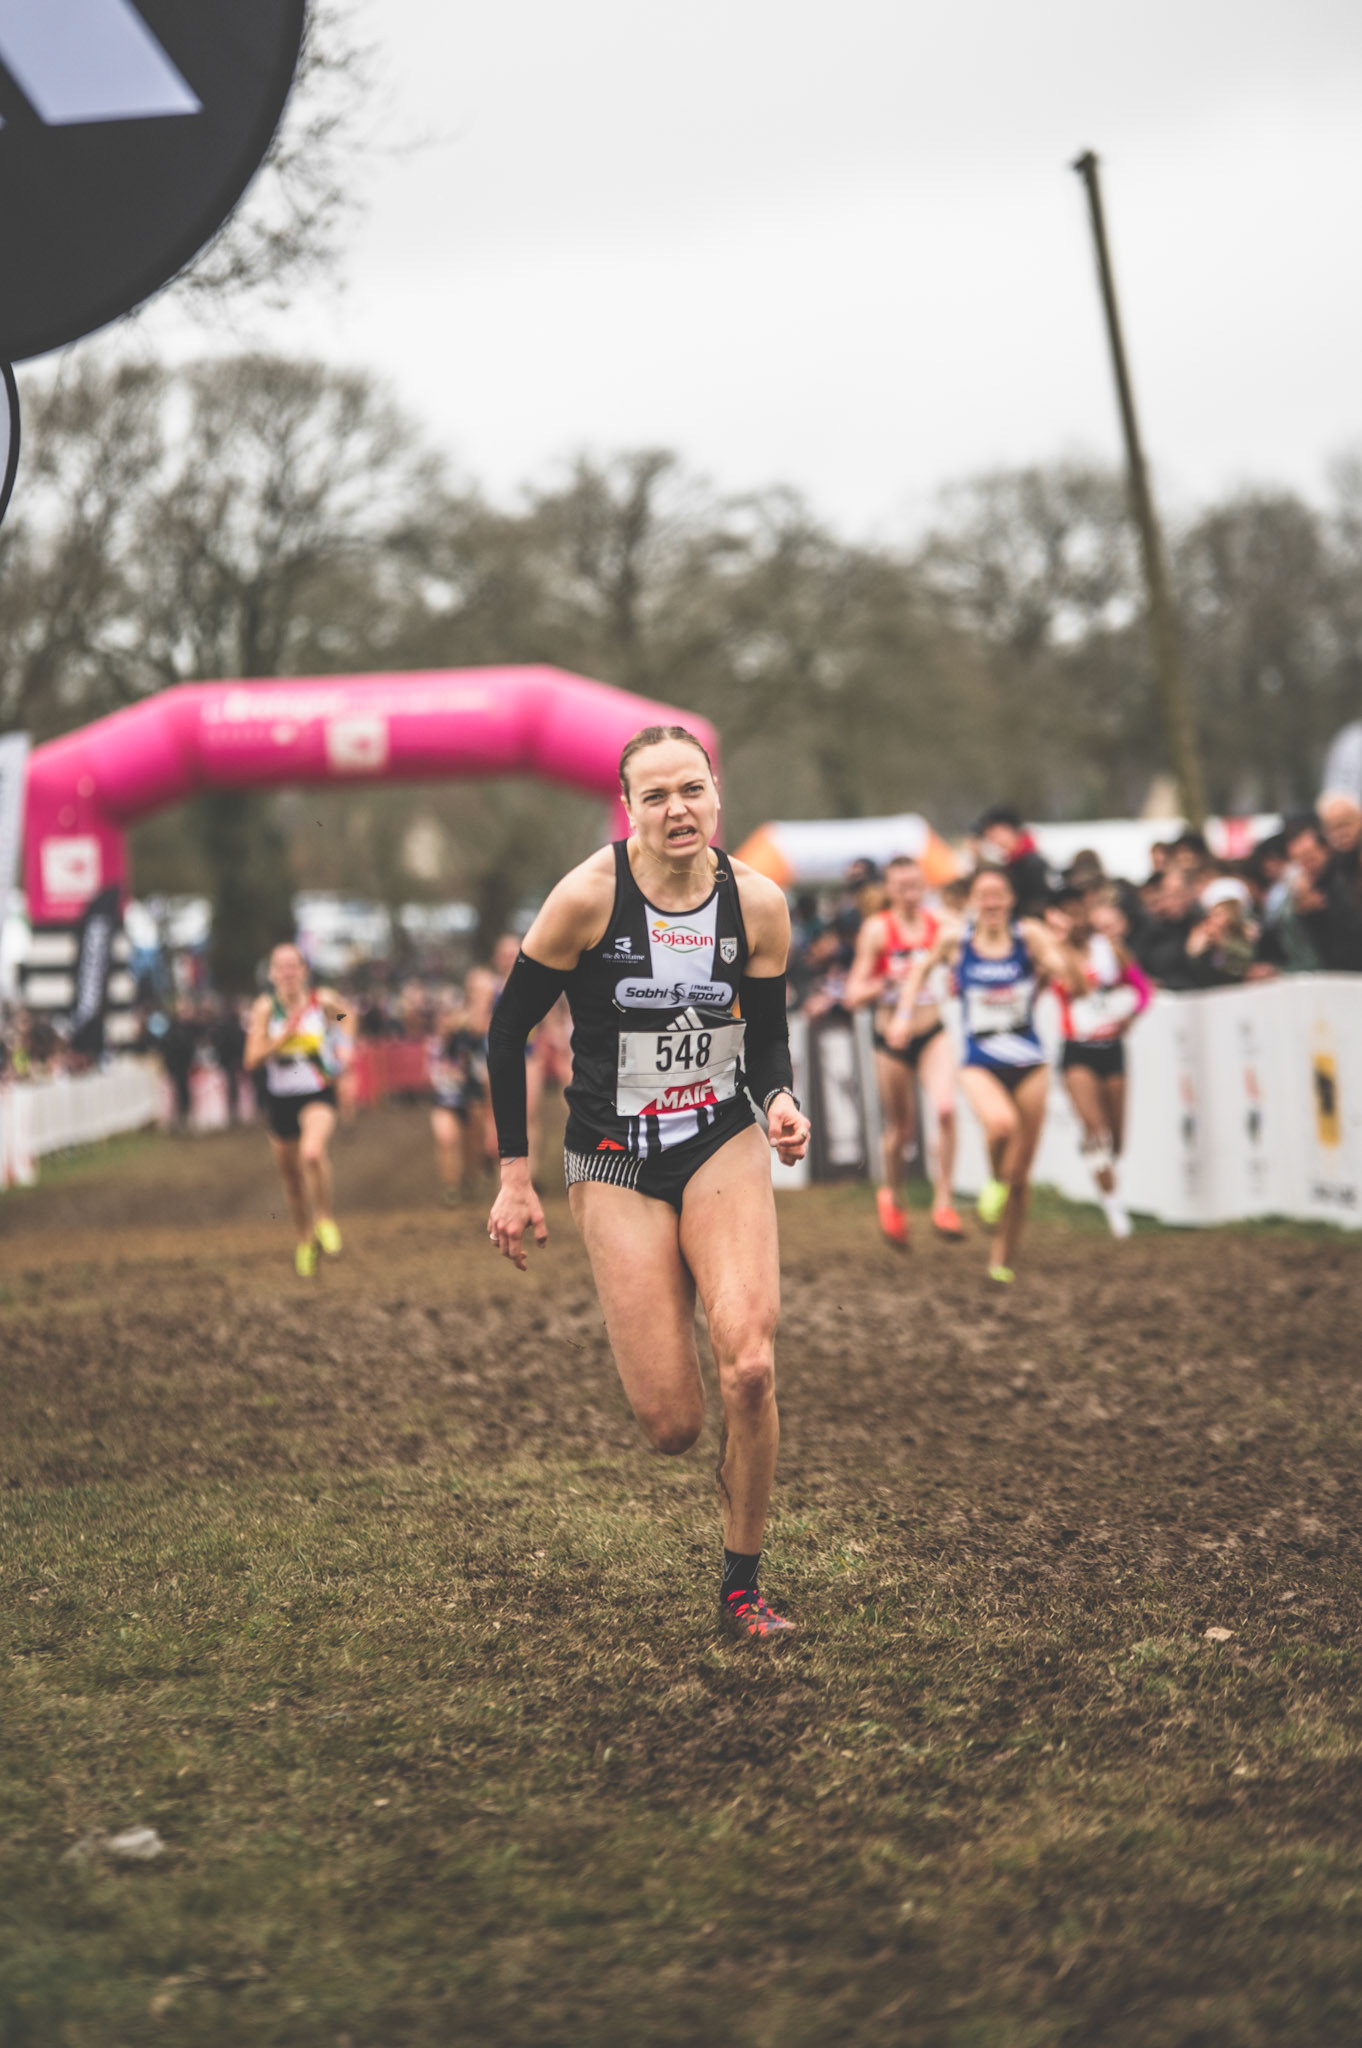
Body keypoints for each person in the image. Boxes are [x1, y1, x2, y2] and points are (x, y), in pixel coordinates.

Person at [485, 725, 811, 1639]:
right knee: (672, 1425)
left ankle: (741, 1588)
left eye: (692, 790)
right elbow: (507, 1032)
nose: (678, 810)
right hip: (614, 1158)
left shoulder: (759, 904)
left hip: (718, 1140)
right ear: (628, 808)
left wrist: (779, 1099)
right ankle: (704, 1429)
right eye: (656, 796)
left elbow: (767, 1037)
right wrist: (514, 1176)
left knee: (751, 1365)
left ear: (717, 795)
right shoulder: (587, 898)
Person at [898, 868, 1083, 1283]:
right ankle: (994, 1183)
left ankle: (1001, 1258)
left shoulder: (1029, 936)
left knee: (1022, 1177)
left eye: (999, 894)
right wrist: (903, 1016)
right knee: (1001, 1126)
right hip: (979, 1058)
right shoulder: (957, 940)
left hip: (1030, 1059)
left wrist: (1062, 946)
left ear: (1011, 899)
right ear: (972, 902)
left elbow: (1069, 980)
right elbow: (920, 971)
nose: (992, 902)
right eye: (984, 895)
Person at [845, 853, 962, 1244]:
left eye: (916, 886)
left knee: (945, 1109)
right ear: (890, 890)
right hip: (891, 1041)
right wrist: (887, 984)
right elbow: (853, 993)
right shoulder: (878, 930)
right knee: (901, 1130)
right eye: (902, 887)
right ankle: (893, 1196)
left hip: (932, 1032)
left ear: (924, 885)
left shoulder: (941, 924)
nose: (910, 894)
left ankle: (944, 1203)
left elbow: (964, 963)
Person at [244, 943, 350, 1276]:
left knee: (313, 1153)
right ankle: (305, 1239)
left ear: (304, 971)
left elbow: (346, 1017)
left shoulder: (322, 1001)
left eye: (294, 966)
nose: (288, 973)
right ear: (272, 974)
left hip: (317, 1093)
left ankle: (325, 1219)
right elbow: (251, 1058)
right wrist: (281, 1039)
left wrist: (344, 1045)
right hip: (280, 1101)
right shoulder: (266, 1009)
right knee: (291, 1180)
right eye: (281, 967)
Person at [1051, 886, 1152, 1238]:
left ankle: (1098, 1154)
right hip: (1077, 1050)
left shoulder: (1109, 951)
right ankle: (1113, 1207)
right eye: (1067, 914)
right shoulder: (1055, 955)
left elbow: (1142, 989)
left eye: (1078, 913)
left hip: (1111, 1047)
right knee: (1097, 1132)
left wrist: (1130, 1017)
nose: (1074, 921)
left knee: (1116, 1140)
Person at [427, 986, 485, 1203]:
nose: (446, 1020)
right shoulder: (434, 1044)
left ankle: (471, 1179)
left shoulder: (469, 1040)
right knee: (445, 1139)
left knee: (473, 1145)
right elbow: (433, 1075)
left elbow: (480, 1069)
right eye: (442, 1016)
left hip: (471, 1099)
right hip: (444, 1100)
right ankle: (450, 1187)